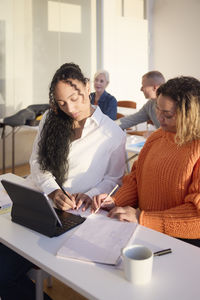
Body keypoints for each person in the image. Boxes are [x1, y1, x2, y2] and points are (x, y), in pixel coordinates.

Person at [0, 63, 126, 299]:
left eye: (75, 98)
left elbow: (114, 178)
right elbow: (37, 162)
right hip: (38, 203)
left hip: (76, 216)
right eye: (61, 103)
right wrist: (52, 190)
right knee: (4, 273)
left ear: (87, 86)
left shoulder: (113, 134)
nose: (70, 108)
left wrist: (92, 193)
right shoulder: (50, 118)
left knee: (5, 275)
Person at [92, 76, 200, 247]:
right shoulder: (157, 137)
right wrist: (116, 200)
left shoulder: (196, 149)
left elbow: (197, 217)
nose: (159, 118)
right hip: (144, 229)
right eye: (158, 109)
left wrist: (141, 217)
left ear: (190, 116)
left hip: (181, 243)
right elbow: (136, 178)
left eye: (168, 115)